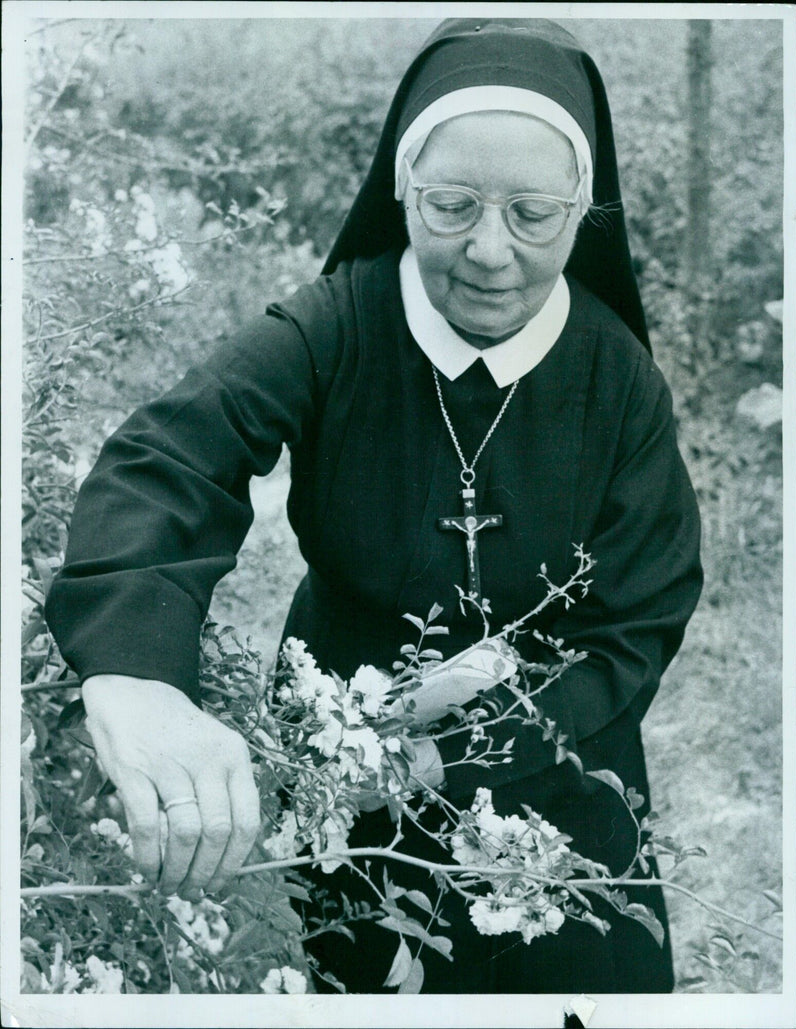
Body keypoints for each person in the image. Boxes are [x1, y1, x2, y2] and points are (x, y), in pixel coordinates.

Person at [45, 17, 703, 993]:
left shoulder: (617, 380)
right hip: (342, 739)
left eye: (531, 214)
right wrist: (136, 673)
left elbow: (634, 623)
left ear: (583, 210)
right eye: (450, 206)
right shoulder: (331, 328)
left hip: (550, 747)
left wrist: (442, 761)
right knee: (371, 976)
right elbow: (169, 457)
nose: (488, 251)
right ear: (400, 188)